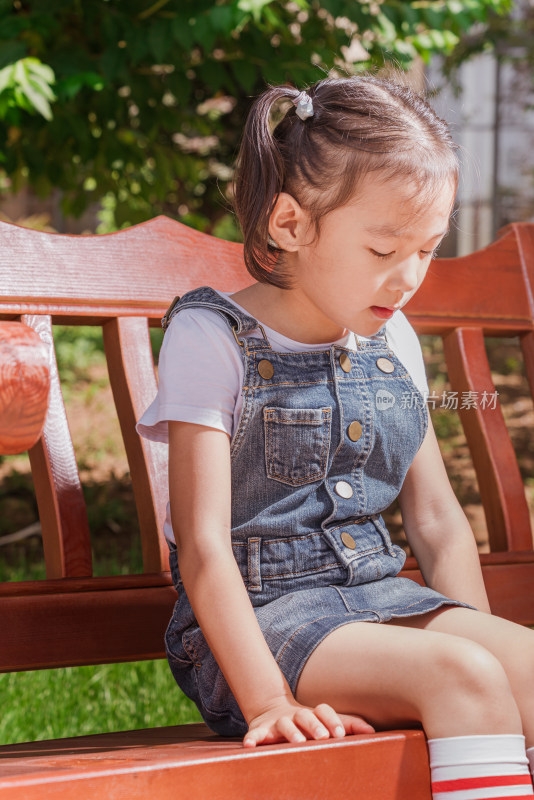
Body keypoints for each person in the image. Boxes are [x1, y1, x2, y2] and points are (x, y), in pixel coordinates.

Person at [137, 76, 534, 800]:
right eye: (384, 248)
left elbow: (438, 521)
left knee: (520, 668)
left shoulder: (393, 335)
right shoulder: (211, 335)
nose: (410, 276)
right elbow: (201, 544)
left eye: (428, 249)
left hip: (383, 600)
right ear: (290, 224)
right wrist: (268, 701)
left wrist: (470, 632)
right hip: (260, 630)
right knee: (464, 675)